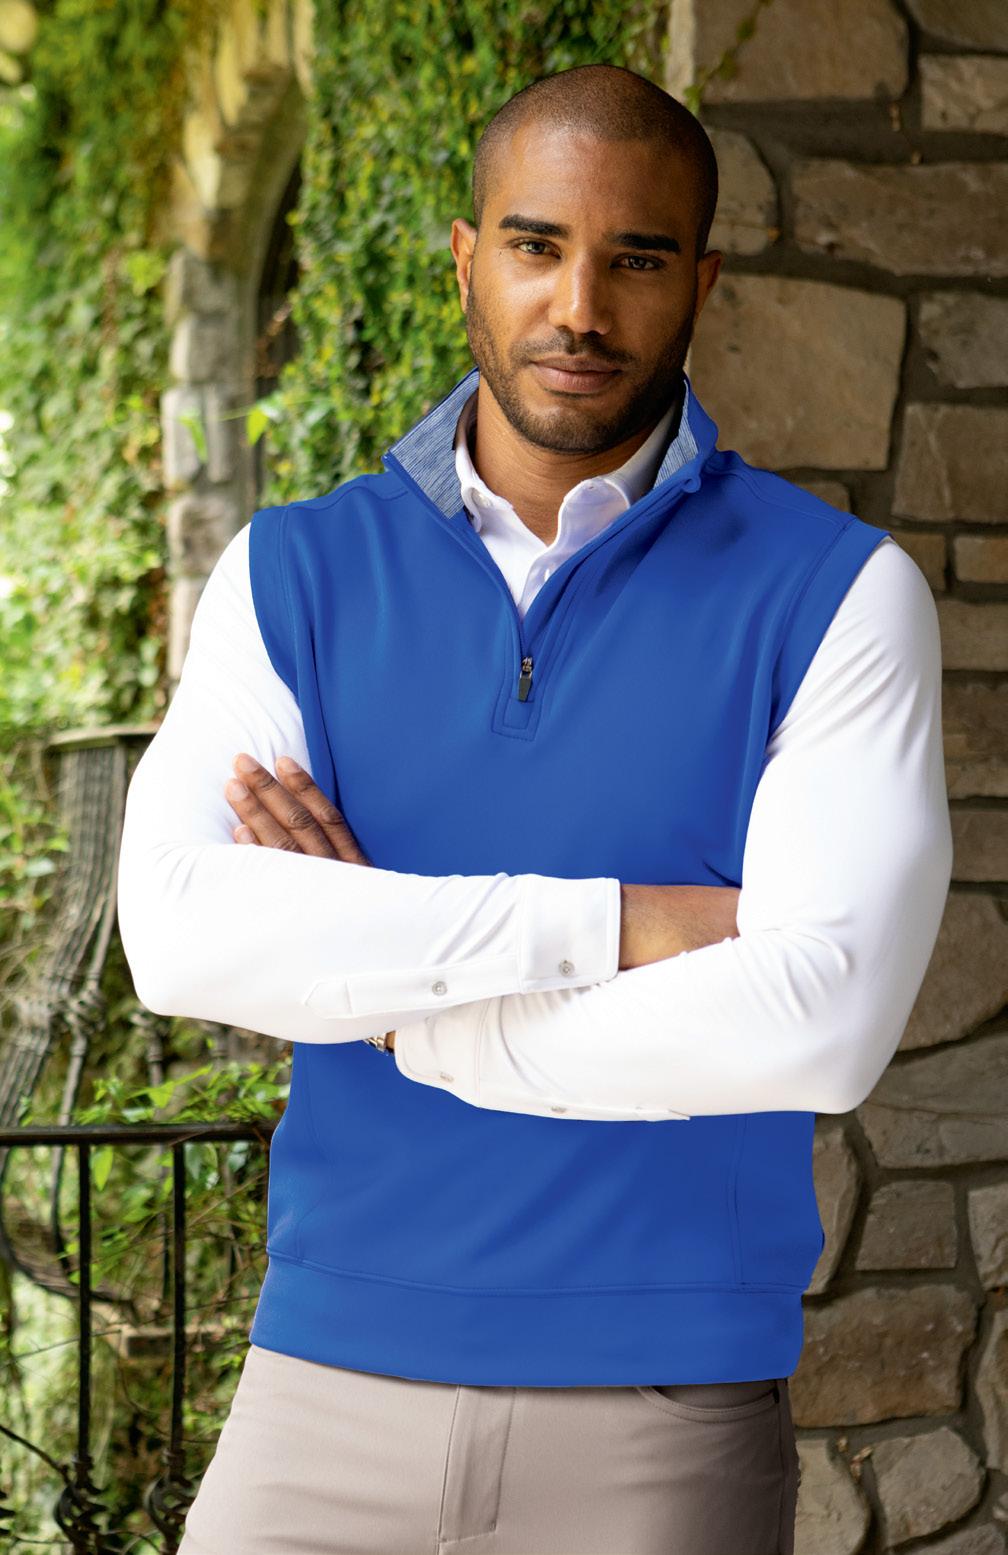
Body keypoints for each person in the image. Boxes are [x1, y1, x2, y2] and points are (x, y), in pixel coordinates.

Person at [116, 61, 952, 1555]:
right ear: (466, 260)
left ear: (700, 285)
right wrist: (622, 925)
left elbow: (821, 1018)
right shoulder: (294, 573)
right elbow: (181, 936)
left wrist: (400, 1012)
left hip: (660, 1412)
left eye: (637, 259)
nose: (581, 306)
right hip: (318, 1387)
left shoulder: (836, 596)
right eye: (536, 245)